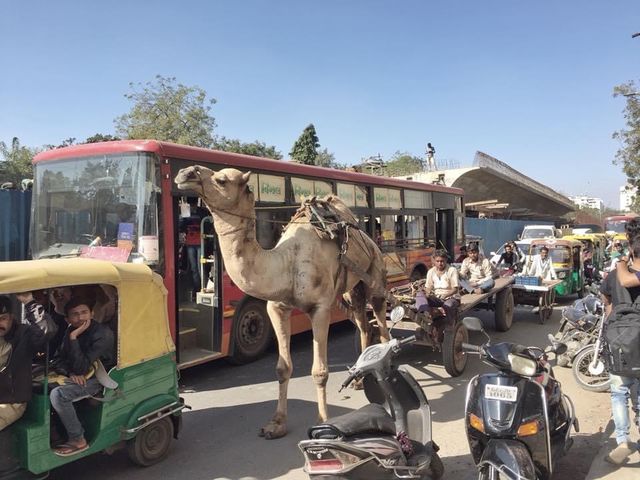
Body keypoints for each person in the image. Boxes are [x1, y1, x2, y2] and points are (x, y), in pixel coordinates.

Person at [50, 298, 115, 456]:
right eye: (75, 315)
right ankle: (56, 433)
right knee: (38, 386)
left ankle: (78, 439)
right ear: (67, 319)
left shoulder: (102, 334)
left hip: (99, 379)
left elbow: (83, 366)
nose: (80, 318)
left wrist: (73, 338)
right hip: (77, 376)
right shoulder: (70, 330)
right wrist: (71, 374)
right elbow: (57, 360)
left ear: (92, 314)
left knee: (58, 395)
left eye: (84, 313)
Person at [601, 236, 640, 465]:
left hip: (618, 340)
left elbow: (605, 296)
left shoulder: (617, 274)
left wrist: (611, 315)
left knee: (618, 392)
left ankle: (622, 441)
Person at [0, 295, 47, 431]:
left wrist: (29, 302)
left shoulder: (23, 334)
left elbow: (46, 332)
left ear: (12, 318)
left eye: (3, 318)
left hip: (11, 402)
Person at [421, 249, 460, 321]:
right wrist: (428, 293)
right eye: (437, 261)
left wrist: (445, 296)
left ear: (446, 260)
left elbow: (455, 289)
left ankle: (450, 325)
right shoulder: (431, 271)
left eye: (442, 261)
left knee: (448, 305)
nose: (440, 263)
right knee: (420, 295)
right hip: (437, 298)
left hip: (451, 298)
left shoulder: (452, 270)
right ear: (434, 261)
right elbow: (428, 287)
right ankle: (425, 313)